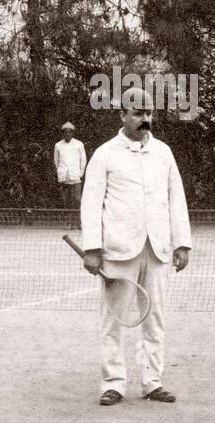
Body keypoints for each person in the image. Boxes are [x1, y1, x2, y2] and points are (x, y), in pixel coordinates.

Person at [80, 87, 192, 405]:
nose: (145, 119)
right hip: (117, 250)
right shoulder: (104, 154)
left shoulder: (164, 153)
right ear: (123, 115)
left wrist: (181, 243)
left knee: (154, 318)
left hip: (157, 250)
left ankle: (152, 381)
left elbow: (176, 199)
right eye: (138, 113)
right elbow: (91, 203)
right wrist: (92, 248)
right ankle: (112, 384)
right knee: (113, 320)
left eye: (149, 113)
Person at [54, 121, 87, 208]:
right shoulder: (58, 145)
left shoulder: (79, 144)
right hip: (63, 175)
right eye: (65, 132)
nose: (67, 134)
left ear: (72, 133)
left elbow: (83, 159)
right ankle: (65, 220)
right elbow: (56, 160)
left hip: (75, 175)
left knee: (77, 199)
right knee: (64, 199)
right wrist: (59, 171)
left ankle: (76, 218)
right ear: (63, 133)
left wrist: (81, 172)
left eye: (69, 132)